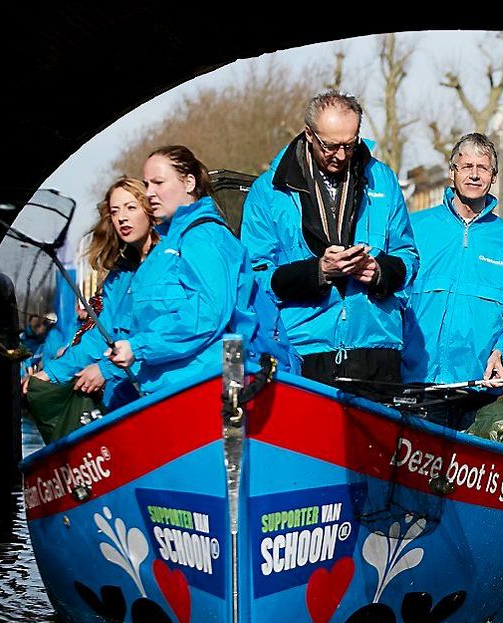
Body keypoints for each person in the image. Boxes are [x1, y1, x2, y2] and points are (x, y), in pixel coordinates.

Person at [241, 91, 418, 391]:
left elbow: (408, 257)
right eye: (330, 146)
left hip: (378, 348)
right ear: (309, 134)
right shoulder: (269, 192)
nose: (340, 155)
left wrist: (379, 272)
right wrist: (318, 271)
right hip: (304, 349)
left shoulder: (383, 180)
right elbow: (255, 278)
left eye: (350, 145)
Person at [401, 133, 503, 427]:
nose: (474, 175)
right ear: (453, 173)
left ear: (493, 177)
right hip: (417, 383)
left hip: (478, 390)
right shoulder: (414, 227)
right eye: (466, 167)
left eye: (483, 168)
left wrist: (502, 351)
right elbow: (390, 298)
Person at [104, 146, 244, 393]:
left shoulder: (203, 236)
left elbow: (208, 315)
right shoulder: (166, 244)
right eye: (147, 184)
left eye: (158, 183)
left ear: (189, 183)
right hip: (164, 388)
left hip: (207, 385)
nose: (149, 193)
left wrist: (138, 348)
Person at [23, 176, 157, 415]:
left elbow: (162, 334)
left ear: (150, 210)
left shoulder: (168, 260)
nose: (122, 217)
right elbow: (100, 337)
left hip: (164, 388)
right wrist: (50, 374)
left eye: (131, 207)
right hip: (130, 398)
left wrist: (105, 370)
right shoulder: (119, 277)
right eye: (115, 211)